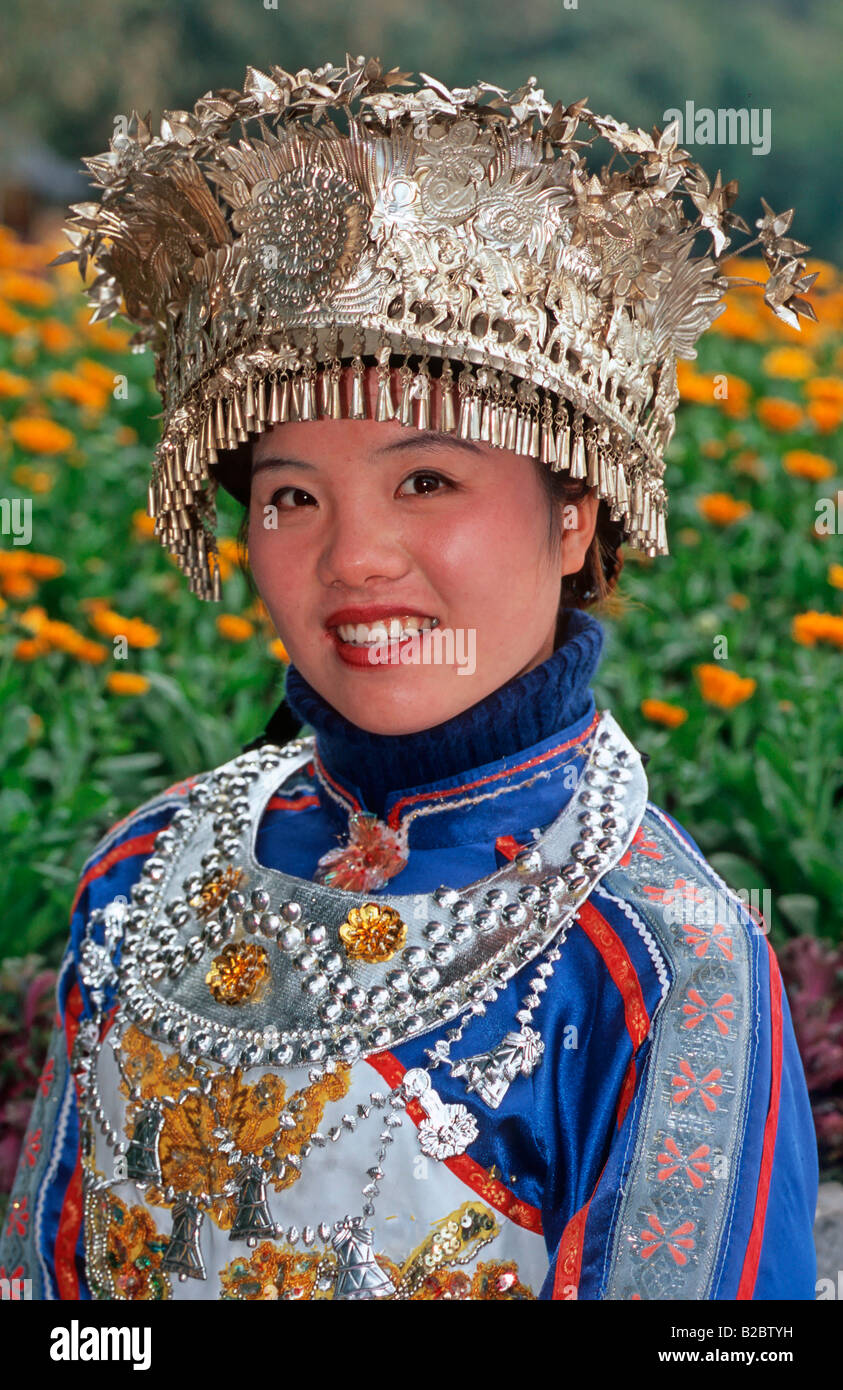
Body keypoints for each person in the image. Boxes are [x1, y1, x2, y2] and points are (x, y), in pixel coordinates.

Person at [0, 58, 819, 1301]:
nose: (353, 558)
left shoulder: (660, 965)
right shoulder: (142, 872)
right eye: (291, 497)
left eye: (426, 480)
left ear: (574, 517)